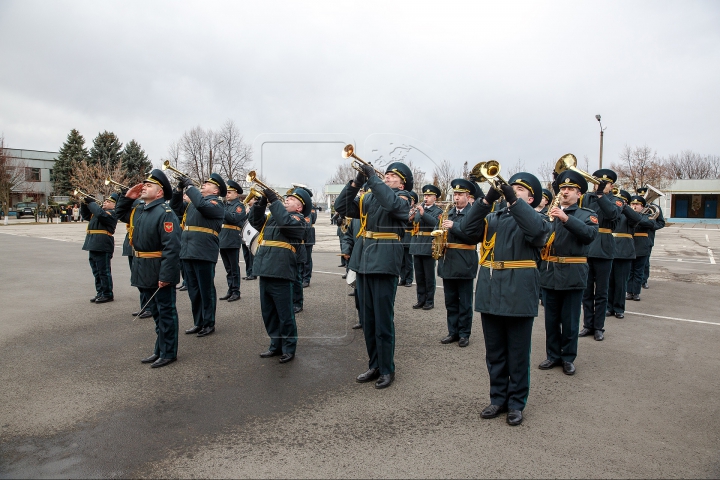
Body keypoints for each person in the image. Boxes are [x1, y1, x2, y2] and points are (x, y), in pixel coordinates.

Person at [457, 172, 549, 426]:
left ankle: (516, 403)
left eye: (519, 189)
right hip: (491, 290)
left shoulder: (538, 218)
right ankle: (498, 398)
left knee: (517, 354)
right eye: (512, 187)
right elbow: (465, 230)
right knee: (495, 352)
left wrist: (513, 201)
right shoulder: (492, 218)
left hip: (518, 292)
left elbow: (538, 233)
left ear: (531, 199)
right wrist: (486, 201)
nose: (512, 190)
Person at [335, 161, 412, 390]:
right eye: (385, 175)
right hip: (365, 260)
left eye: (392, 176)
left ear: (402, 182)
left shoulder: (405, 197)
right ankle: (374, 364)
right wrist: (357, 181)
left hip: (385, 260)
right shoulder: (369, 197)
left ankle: (387, 368)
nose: (387, 177)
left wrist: (373, 178)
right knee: (368, 320)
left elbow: (392, 205)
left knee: (383, 320)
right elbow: (342, 205)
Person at [115, 169, 181, 369]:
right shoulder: (140, 210)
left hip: (158, 268)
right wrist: (128, 197)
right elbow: (119, 214)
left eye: (149, 185)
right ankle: (159, 349)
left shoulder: (165, 213)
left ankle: (168, 352)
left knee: (165, 312)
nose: (144, 187)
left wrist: (166, 276)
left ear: (160, 192)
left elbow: (172, 247)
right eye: (144, 184)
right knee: (156, 312)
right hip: (143, 267)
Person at [538, 171, 598, 376]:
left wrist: (565, 219)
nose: (565, 192)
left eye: (570, 189)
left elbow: (589, 235)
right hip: (550, 273)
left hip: (573, 274)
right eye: (563, 188)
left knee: (571, 320)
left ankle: (568, 358)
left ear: (579, 194)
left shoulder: (586, 215)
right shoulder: (549, 213)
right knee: (551, 320)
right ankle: (553, 355)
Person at [248, 187, 309, 364]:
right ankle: (275, 345)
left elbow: (286, 223)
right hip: (265, 268)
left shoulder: (298, 220)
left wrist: (274, 201)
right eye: (287, 198)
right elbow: (254, 220)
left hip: (281, 270)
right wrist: (261, 203)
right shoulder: (273, 217)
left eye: (292, 199)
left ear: (299, 208)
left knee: (285, 314)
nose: (287, 200)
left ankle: (289, 347)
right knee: (269, 312)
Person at [171, 173, 226, 338]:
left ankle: (209, 323)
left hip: (203, 252)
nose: (203, 184)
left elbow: (202, 206)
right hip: (188, 251)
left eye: (207, 184)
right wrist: (179, 189)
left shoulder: (216, 204)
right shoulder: (194, 204)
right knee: (194, 290)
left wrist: (190, 187)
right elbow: (175, 207)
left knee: (205, 289)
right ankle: (198, 322)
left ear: (216, 190)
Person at [579, 169, 621, 342]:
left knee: (601, 292)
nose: (600, 185)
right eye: (597, 182)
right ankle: (588, 324)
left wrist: (601, 196)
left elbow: (612, 214)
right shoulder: (587, 198)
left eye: (605, 184)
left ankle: (598, 327)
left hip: (604, 249)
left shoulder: (616, 201)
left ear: (611, 186)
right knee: (586, 292)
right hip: (587, 248)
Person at [438, 178, 480, 348]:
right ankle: (452, 331)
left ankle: (464, 333)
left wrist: (454, 226)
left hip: (464, 261)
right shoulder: (449, 212)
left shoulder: (473, 213)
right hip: (448, 261)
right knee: (450, 301)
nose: (456, 197)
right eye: (455, 194)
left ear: (468, 196)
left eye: (460, 194)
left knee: (465, 301)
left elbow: (473, 236)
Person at [606, 190, 642, 319]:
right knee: (608, 282)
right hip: (609, 249)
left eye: (621, 201)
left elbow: (637, 218)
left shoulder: (629, 214)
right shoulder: (610, 213)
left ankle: (619, 308)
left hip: (624, 251)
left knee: (621, 283)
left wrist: (625, 207)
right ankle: (608, 307)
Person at [80, 193, 118, 303]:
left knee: (103, 271)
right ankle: (100, 292)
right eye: (105, 201)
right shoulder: (98, 213)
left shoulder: (112, 213)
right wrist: (84, 203)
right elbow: (86, 215)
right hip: (93, 243)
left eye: (109, 202)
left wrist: (92, 202)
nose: (105, 202)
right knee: (96, 271)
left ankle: (107, 294)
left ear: (115, 206)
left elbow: (100, 214)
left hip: (103, 244)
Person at [409, 184, 443, 310]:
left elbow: (436, 224)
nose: (426, 198)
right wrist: (412, 216)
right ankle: (420, 299)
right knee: (419, 276)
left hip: (429, 245)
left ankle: (429, 301)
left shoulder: (438, 211)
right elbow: (413, 224)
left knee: (429, 277)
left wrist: (423, 214)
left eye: (429, 196)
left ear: (435, 198)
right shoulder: (419, 208)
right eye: (425, 195)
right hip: (417, 245)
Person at [627, 196, 660, 301]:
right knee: (629, 271)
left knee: (638, 271)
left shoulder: (648, 216)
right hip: (630, 245)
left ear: (642, 207)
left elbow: (651, 223)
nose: (634, 206)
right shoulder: (627, 215)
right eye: (632, 204)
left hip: (642, 245)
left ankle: (636, 292)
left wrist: (635, 217)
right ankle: (628, 292)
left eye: (637, 205)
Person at [123, 198, 152, 319]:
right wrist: (124, 197)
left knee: (145, 280)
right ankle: (144, 306)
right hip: (132, 248)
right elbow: (121, 212)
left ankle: (149, 307)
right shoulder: (134, 208)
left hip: (143, 249)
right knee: (139, 281)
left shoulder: (141, 206)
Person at [219, 180, 247, 302]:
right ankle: (230, 289)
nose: (227, 194)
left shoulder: (239, 206)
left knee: (234, 267)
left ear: (236, 194)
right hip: (223, 239)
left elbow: (234, 218)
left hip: (232, 239)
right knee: (228, 268)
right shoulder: (225, 205)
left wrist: (221, 210)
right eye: (227, 192)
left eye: (230, 192)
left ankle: (236, 291)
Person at [636, 186, 666, 289]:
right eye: (640, 196)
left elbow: (661, 223)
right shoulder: (634, 206)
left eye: (644, 195)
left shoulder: (654, 208)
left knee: (645, 262)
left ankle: (644, 281)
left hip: (647, 237)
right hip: (634, 237)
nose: (643, 198)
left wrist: (651, 225)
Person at [398, 190, 416, 287]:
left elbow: (412, 224)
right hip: (401, 236)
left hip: (409, 236)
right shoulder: (402, 209)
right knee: (401, 260)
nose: (411, 202)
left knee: (408, 261)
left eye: (412, 200)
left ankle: (409, 279)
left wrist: (411, 218)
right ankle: (403, 278)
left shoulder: (415, 211)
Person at [301, 195, 317, 288]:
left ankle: (306, 278)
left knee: (306, 259)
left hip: (307, 236)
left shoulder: (309, 208)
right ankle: (300, 277)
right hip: (298, 237)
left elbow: (310, 221)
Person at [241, 194, 257, 280]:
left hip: (251, 235)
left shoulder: (255, 209)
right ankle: (248, 272)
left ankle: (253, 273)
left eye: (250, 199)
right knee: (246, 255)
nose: (248, 200)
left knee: (251, 256)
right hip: (244, 234)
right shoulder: (245, 209)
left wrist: (248, 212)